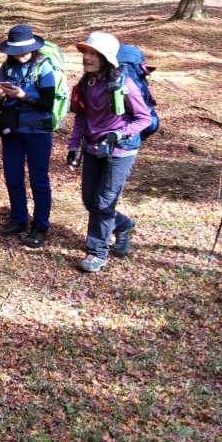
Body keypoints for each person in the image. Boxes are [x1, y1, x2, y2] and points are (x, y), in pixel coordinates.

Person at [67, 32, 152, 273]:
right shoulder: (86, 83)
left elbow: (143, 119)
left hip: (120, 151)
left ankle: (96, 253)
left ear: (106, 58)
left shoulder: (123, 83)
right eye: (86, 52)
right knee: (89, 200)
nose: (87, 57)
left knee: (103, 203)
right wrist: (74, 148)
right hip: (93, 148)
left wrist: (119, 134)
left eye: (93, 53)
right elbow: (81, 117)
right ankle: (123, 225)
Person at [0, 25, 58, 249]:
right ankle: (19, 219)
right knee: (13, 178)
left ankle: (40, 226)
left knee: (39, 181)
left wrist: (23, 96)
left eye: (25, 50)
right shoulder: (7, 67)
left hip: (37, 131)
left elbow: (48, 104)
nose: (20, 55)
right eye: (16, 51)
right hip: (12, 130)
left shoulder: (44, 68)